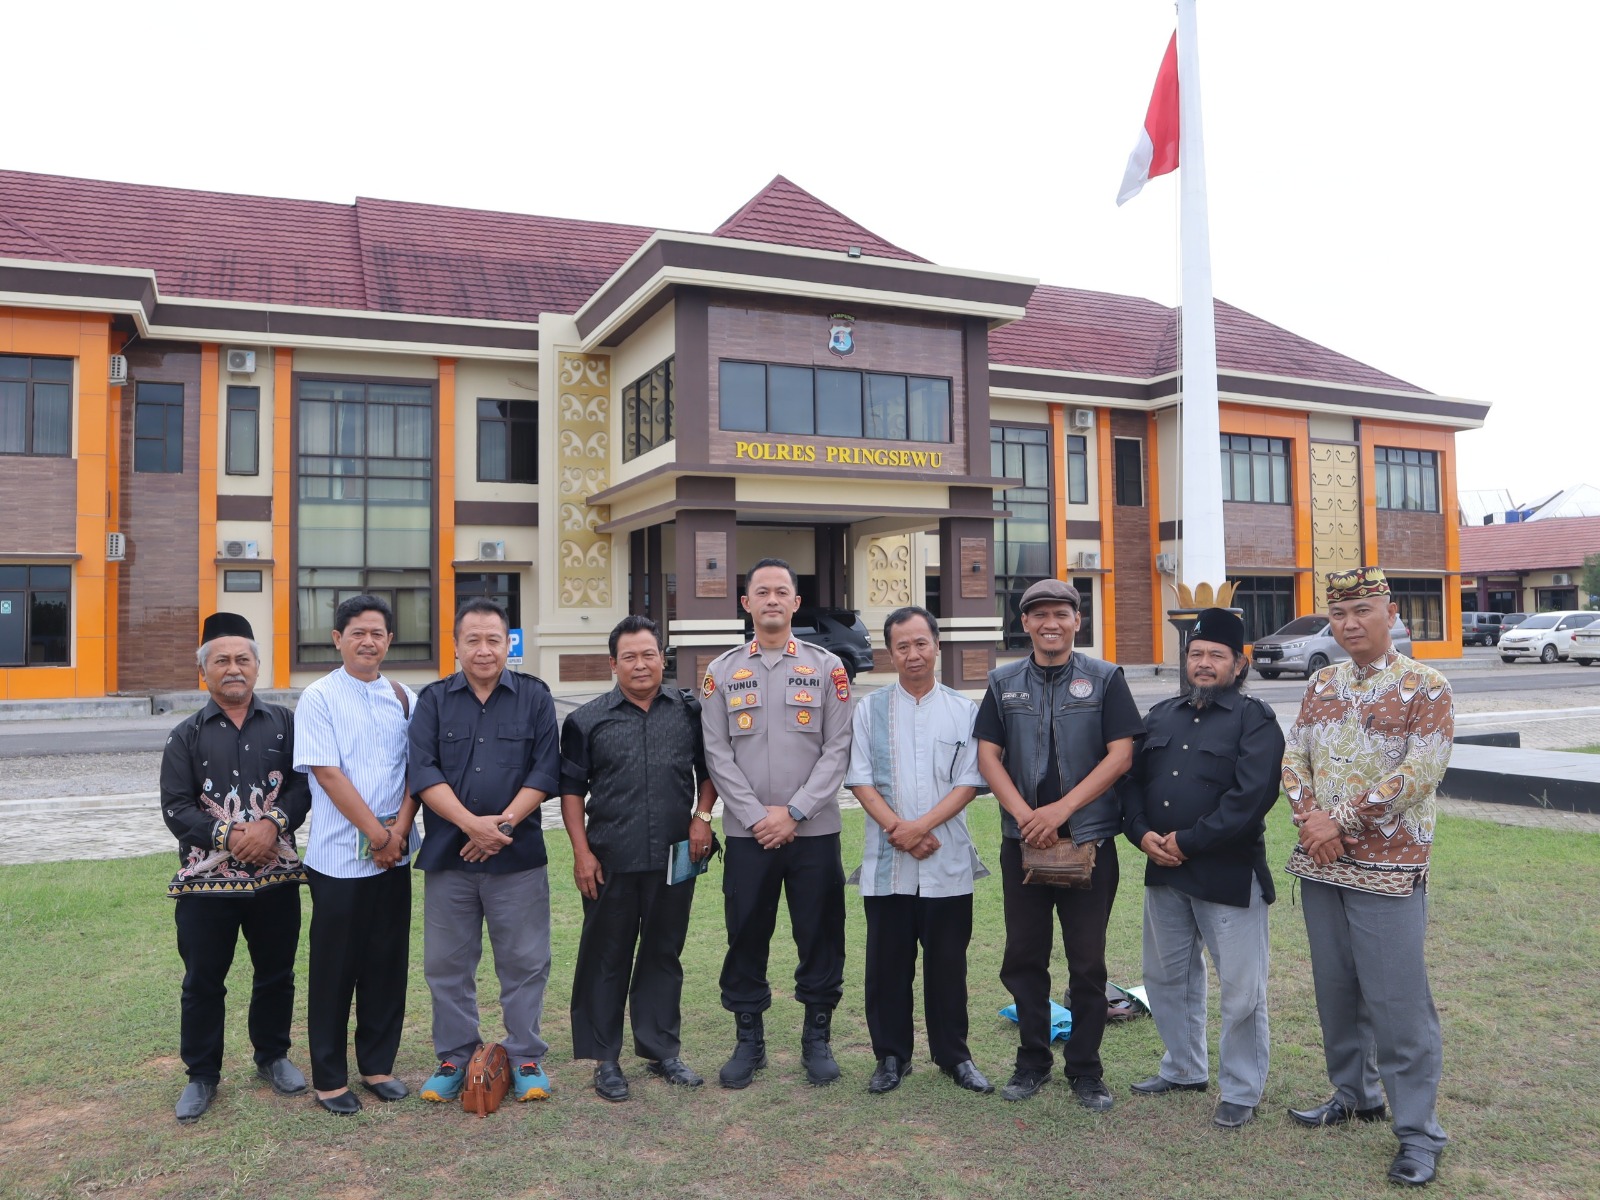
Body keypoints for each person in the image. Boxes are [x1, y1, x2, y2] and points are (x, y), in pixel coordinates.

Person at [1283, 567, 1453, 1188]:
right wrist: (1309, 817)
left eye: (1361, 609)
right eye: (1339, 613)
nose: (1349, 623)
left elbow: (1420, 772)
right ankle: (1355, 1095)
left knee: (1397, 1000)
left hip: (1389, 864)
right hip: (1322, 862)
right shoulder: (1322, 681)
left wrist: (1340, 821)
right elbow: (1294, 754)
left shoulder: (1425, 687)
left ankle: (1418, 1132)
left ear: (1390, 611)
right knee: (1336, 990)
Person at [975, 578, 1142, 1107]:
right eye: (1039, 614)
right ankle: (1031, 1063)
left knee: (1087, 962)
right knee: (1024, 957)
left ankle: (1086, 1071)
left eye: (1062, 614)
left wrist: (1061, 810)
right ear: (1024, 623)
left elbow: (1120, 755)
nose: (1051, 623)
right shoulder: (1003, 683)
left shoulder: (1106, 678)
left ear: (1077, 621)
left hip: (1088, 842)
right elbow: (987, 757)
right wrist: (1028, 817)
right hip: (1022, 845)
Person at [1123, 607, 1284, 1129]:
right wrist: (1141, 832)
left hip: (1227, 874)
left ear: (1239, 663)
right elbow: (1130, 784)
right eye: (1197, 654)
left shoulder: (1254, 719)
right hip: (1164, 871)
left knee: (1241, 988)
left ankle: (1241, 1088)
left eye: (1217, 656)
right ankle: (1184, 1067)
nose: (1205, 664)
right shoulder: (1161, 715)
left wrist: (1188, 842)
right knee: (1166, 977)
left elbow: (1252, 798)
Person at [700, 557, 853, 1088]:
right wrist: (752, 815)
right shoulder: (720, 672)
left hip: (813, 831)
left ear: (795, 602)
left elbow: (838, 748)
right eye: (760, 591)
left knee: (820, 934)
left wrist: (794, 812)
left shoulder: (826, 666)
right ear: (746, 603)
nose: (771, 599)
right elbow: (716, 754)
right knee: (745, 934)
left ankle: (817, 1038)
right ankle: (749, 1040)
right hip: (748, 835)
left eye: (780, 591)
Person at [408, 598, 561, 1105]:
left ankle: (525, 1057)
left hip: (516, 856)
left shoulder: (535, 697)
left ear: (508, 644)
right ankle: (454, 1056)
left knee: (525, 959)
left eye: (494, 639)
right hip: (451, 857)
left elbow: (545, 770)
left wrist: (503, 825)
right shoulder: (432, 700)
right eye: (472, 639)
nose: (483, 649)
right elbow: (423, 771)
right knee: (446, 963)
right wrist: (472, 826)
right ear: (455, 645)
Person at [160, 612, 311, 1123]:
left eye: (242, 659)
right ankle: (202, 1075)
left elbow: (303, 784)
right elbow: (176, 808)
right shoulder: (185, 735)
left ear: (257, 665)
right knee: (203, 981)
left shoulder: (287, 724)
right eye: (221, 660)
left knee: (276, 974)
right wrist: (232, 836)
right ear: (203, 671)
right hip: (206, 887)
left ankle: (272, 1056)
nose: (233, 668)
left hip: (276, 879)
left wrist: (272, 824)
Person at [559, 615, 717, 1101]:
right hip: (610, 859)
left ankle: (661, 1049)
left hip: (676, 854)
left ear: (661, 658)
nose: (640, 664)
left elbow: (709, 771)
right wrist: (581, 854)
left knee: (662, 954)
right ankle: (605, 1059)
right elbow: (569, 791)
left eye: (649, 654)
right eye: (629, 656)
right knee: (606, 956)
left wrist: (702, 816)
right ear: (613, 664)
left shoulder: (688, 711)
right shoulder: (586, 720)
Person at [846, 606, 993, 1096]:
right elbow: (861, 780)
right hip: (888, 861)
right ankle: (891, 1057)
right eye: (902, 646)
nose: (913, 654)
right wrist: (900, 830)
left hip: (945, 859)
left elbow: (971, 781)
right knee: (887, 967)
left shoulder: (964, 711)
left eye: (921, 643)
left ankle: (955, 1057)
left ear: (936, 646)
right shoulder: (868, 710)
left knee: (948, 965)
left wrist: (921, 828)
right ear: (890, 653)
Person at [293, 594, 420, 1115]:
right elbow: (327, 772)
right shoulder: (319, 697)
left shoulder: (404, 696)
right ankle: (329, 1078)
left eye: (378, 633)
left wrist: (401, 830)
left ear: (389, 640)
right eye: (357, 632)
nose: (368, 641)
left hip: (397, 856)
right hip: (339, 861)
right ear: (337, 639)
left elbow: (419, 770)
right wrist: (377, 833)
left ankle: (378, 1066)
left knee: (387, 964)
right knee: (335, 968)